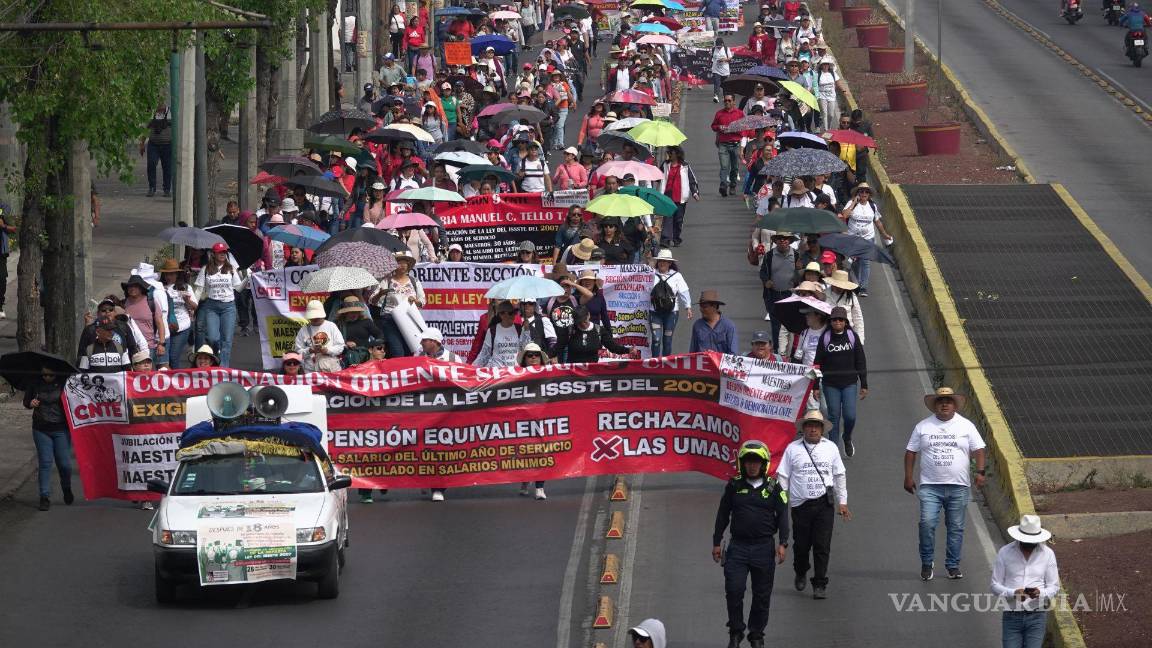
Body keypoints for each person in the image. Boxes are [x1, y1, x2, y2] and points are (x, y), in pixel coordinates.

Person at [712, 440, 789, 648]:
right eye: (748, 462)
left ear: (763, 464)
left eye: (756, 462)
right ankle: (736, 632)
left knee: (762, 595)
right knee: (734, 590)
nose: (752, 466)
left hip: (764, 548)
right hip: (738, 548)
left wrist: (783, 543)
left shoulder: (774, 487)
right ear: (742, 463)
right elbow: (722, 514)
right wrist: (716, 541)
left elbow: (783, 515)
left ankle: (756, 635)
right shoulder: (734, 485)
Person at [905, 387, 987, 581]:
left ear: (954, 405)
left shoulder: (966, 426)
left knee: (956, 527)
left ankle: (953, 565)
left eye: (948, 401)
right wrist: (908, 477)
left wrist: (980, 471)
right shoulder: (923, 427)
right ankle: (927, 562)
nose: (944, 404)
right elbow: (911, 452)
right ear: (935, 405)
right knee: (926, 524)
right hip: (930, 486)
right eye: (941, 401)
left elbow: (979, 449)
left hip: (958, 486)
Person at [775, 410, 850, 600]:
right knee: (801, 546)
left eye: (817, 426)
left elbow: (839, 474)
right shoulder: (793, 449)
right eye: (810, 426)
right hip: (800, 506)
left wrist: (843, 502)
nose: (813, 430)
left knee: (822, 545)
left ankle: (819, 583)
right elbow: (783, 476)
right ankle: (801, 571)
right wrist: (782, 501)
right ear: (804, 428)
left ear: (822, 429)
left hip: (824, 504)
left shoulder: (831, 448)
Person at [992, 515, 1061, 648]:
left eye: (1033, 541)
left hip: (1037, 615)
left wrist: (1040, 593)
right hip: (1012, 615)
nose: (1030, 544)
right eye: (1026, 541)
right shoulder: (1005, 552)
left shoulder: (1048, 554)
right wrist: (1013, 593)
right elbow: (995, 585)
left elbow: (1054, 586)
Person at [814, 306, 868, 455]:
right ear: (830, 322)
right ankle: (833, 451)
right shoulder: (825, 338)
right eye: (834, 319)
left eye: (840, 319)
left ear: (845, 322)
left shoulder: (852, 336)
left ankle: (847, 437)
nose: (837, 321)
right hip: (830, 384)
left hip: (849, 383)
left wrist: (864, 383)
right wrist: (815, 386)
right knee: (833, 417)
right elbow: (817, 363)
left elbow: (860, 360)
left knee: (850, 416)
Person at [25, 366, 72, 511]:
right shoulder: (34, 384)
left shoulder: (65, 383)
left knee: (64, 464)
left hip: (61, 429)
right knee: (45, 462)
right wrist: (30, 403)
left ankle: (66, 487)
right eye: (44, 375)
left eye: (50, 375)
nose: (47, 377)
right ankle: (44, 496)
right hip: (41, 428)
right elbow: (26, 402)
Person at [193, 242, 243, 367]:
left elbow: (238, 288)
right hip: (212, 306)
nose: (222, 254)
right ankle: (215, 357)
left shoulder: (231, 268)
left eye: (224, 252)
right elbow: (199, 290)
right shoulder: (206, 269)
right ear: (213, 254)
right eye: (219, 252)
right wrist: (193, 306)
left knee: (226, 340)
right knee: (212, 338)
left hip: (228, 307)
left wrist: (248, 279)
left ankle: (223, 367)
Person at [838, 183, 891, 297]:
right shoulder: (852, 204)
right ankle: (857, 283)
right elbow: (844, 215)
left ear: (869, 194)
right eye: (861, 191)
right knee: (855, 263)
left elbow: (877, 221)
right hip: (853, 239)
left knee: (865, 262)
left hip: (868, 238)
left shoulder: (872, 206)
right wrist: (854, 203)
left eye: (866, 192)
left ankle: (863, 287)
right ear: (858, 193)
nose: (864, 194)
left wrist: (884, 234)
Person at [369, 251, 425, 357]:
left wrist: (415, 301)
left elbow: (422, 302)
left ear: (408, 265)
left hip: (409, 319)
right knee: (397, 351)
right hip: (390, 319)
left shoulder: (414, 281)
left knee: (410, 350)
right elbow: (372, 301)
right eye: (399, 262)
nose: (403, 265)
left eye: (405, 262)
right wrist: (380, 294)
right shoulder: (387, 281)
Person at [649, 249, 692, 357]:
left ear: (670, 263)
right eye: (660, 260)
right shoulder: (650, 274)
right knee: (656, 339)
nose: (662, 263)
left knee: (667, 340)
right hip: (654, 312)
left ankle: (666, 364)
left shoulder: (677, 276)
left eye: (665, 261)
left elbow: (684, 292)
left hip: (671, 313)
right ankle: (654, 363)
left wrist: (688, 307)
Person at [555, 305, 631, 362]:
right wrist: (548, 356)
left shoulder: (599, 330)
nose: (583, 324)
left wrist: (628, 350)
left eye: (584, 321)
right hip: (573, 373)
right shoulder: (569, 330)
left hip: (592, 373)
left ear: (588, 315)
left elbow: (613, 347)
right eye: (579, 323)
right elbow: (558, 347)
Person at [658, 146, 700, 248]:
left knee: (678, 220)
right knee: (668, 217)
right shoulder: (665, 164)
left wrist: (695, 193)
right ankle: (665, 239)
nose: (669, 155)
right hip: (667, 196)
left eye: (671, 153)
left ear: (677, 154)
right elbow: (658, 176)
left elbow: (692, 180)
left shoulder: (685, 166)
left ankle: (676, 237)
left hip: (680, 197)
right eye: (668, 152)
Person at [120, 275, 167, 364]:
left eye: (135, 286)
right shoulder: (124, 303)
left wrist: (161, 344)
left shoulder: (150, 302)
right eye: (130, 286)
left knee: (147, 373)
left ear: (141, 288)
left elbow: (160, 323)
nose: (132, 289)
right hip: (129, 346)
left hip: (148, 346)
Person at [294, 300, 346, 373]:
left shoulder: (331, 326)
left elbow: (340, 347)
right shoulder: (303, 330)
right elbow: (297, 352)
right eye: (313, 317)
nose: (315, 318)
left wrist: (327, 350)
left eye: (317, 316)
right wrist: (310, 350)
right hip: (310, 371)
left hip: (330, 370)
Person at [711, 94, 744, 197]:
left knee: (734, 167)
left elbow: (745, 126)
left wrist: (736, 128)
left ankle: (733, 186)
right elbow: (713, 126)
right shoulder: (719, 113)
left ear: (734, 102)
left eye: (729, 101)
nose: (727, 102)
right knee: (724, 166)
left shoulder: (739, 113)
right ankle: (723, 185)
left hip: (735, 143)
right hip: (723, 144)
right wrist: (719, 127)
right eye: (725, 101)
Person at [474, 301, 523, 367]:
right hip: (497, 372)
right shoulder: (492, 330)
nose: (508, 316)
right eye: (503, 313)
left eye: (512, 313)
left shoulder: (519, 329)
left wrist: (527, 330)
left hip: (514, 372)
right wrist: (472, 369)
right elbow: (484, 354)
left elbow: (525, 348)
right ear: (500, 314)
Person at [335, 296, 381, 367]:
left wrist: (370, 347)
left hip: (365, 356)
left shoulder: (366, 322)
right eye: (351, 312)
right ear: (345, 312)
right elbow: (334, 341)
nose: (354, 314)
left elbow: (379, 335)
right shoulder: (339, 325)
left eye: (356, 311)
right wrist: (345, 344)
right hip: (345, 358)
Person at [139, 100, 172, 197]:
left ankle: (167, 189)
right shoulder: (152, 113)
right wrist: (142, 143)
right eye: (157, 107)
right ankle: (152, 188)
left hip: (168, 145)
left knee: (167, 167)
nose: (159, 109)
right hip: (153, 144)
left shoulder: (171, 113)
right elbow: (146, 128)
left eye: (161, 106)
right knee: (151, 164)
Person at [690, 290, 738, 354]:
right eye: (700, 307)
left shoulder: (728, 326)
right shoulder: (697, 326)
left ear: (714, 306)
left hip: (722, 363)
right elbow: (692, 353)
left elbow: (733, 354)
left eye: (704, 307)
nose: (701, 310)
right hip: (703, 363)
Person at [710, 38, 733, 103]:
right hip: (716, 69)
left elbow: (730, 58)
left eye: (720, 46)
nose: (719, 47)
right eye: (717, 46)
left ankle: (725, 97)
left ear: (722, 44)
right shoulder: (713, 49)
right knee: (717, 83)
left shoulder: (726, 49)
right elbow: (711, 58)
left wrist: (724, 60)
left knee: (724, 84)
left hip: (725, 70)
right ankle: (716, 96)